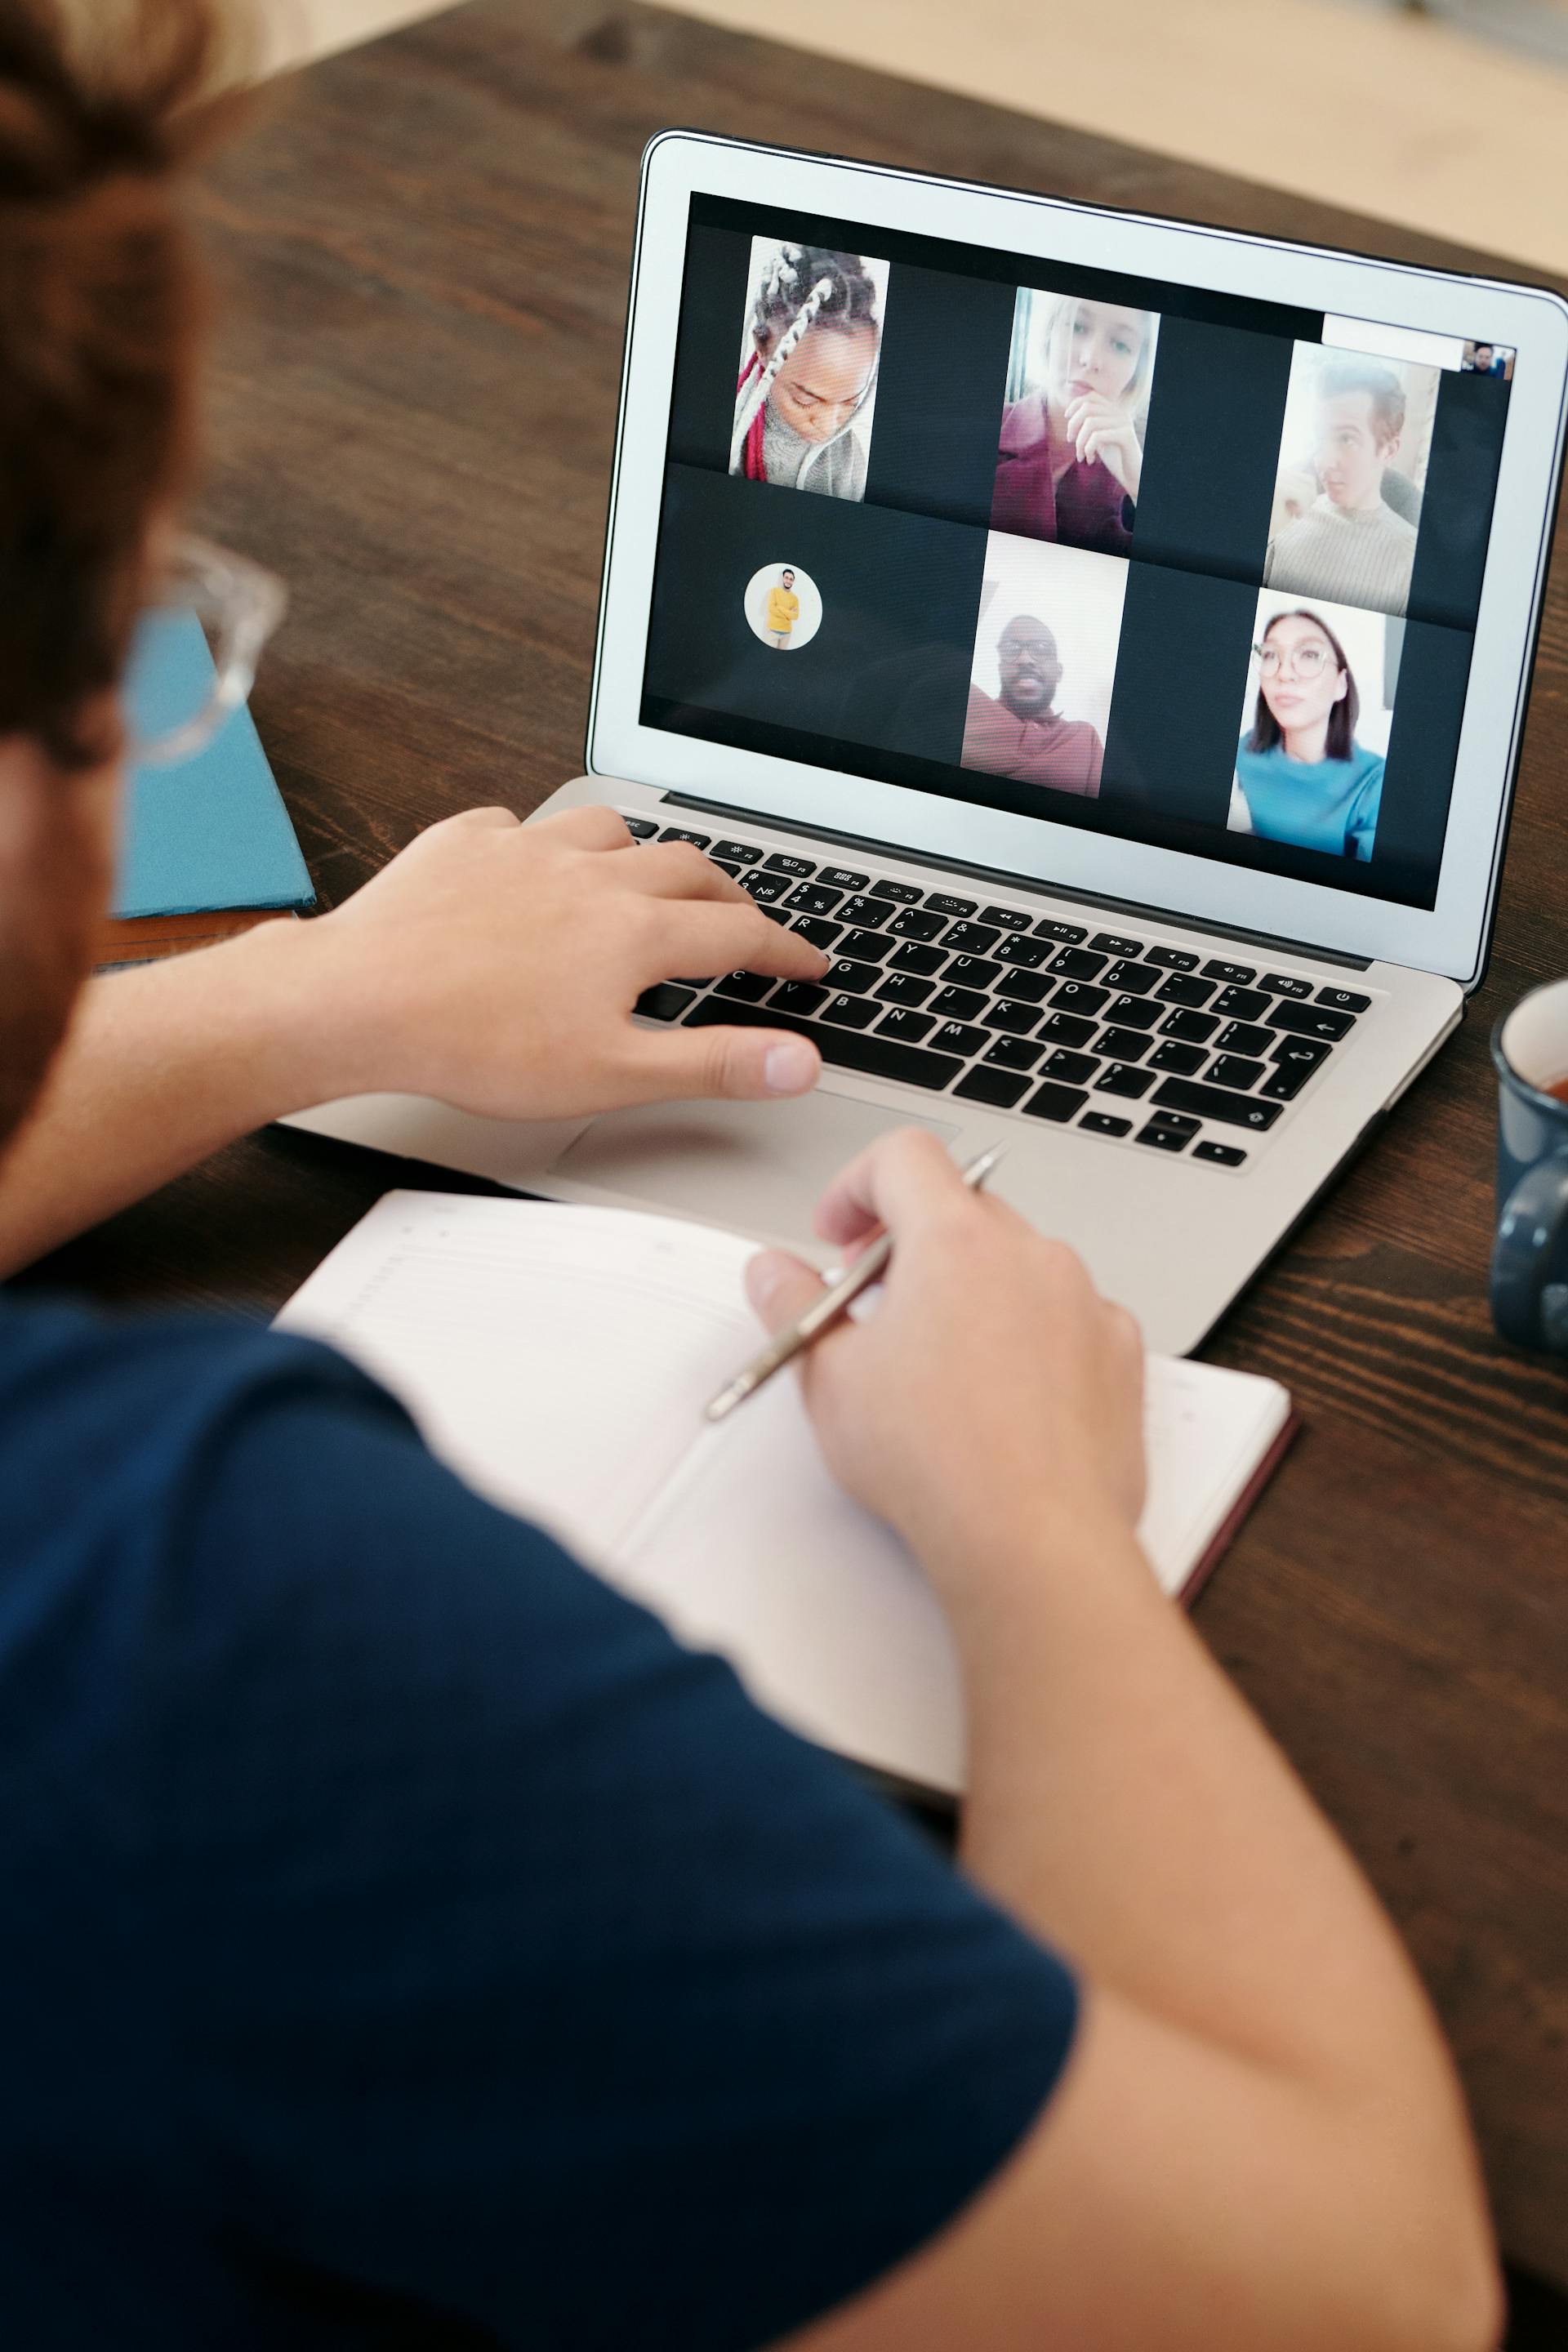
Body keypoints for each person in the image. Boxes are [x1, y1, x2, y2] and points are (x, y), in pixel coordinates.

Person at [0, 8, 1504, 2350]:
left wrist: (303, 1000)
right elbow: (1362, 2296)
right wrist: (1027, 1532)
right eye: (135, 625)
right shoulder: (206, 1630)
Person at [991, 293, 1155, 555]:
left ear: (1137, 372)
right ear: (1050, 335)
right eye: (1078, 327)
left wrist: (1140, 489)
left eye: (1121, 345)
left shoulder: (1138, 475)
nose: (1091, 359)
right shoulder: (984, 425)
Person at [1264, 355, 1420, 618]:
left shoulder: (1411, 560)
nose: (1323, 461)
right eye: (1320, 438)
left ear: (1388, 450)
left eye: (1347, 439)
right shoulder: (1285, 519)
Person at [1230, 608, 1384, 859]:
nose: (1284, 674)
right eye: (1270, 655)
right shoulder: (1240, 753)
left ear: (1340, 684)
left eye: (1310, 655)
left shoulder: (1374, 783)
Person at [731, 245, 880, 499]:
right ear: (762, 345)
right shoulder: (727, 423)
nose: (828, 425)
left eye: (850, 403)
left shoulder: (850, 462)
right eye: (805, 400)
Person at [960, 612, 1103, 795]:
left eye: (1042, 648)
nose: (1025, 659)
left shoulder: (1085, 737)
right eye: (1012, 648)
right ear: (1001, 669)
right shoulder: (967, 705)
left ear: (1058, 672)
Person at [767, 564, 800, 648]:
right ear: (783, 578)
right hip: (773, 631)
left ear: (793, 581)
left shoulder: (795, 598)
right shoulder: (775, 591)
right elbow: (771, 609)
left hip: (787, 633)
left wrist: (780, 608)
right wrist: (788, 614)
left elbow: (795, 616)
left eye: (791, 579)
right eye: (786, 578)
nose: (788, 581)